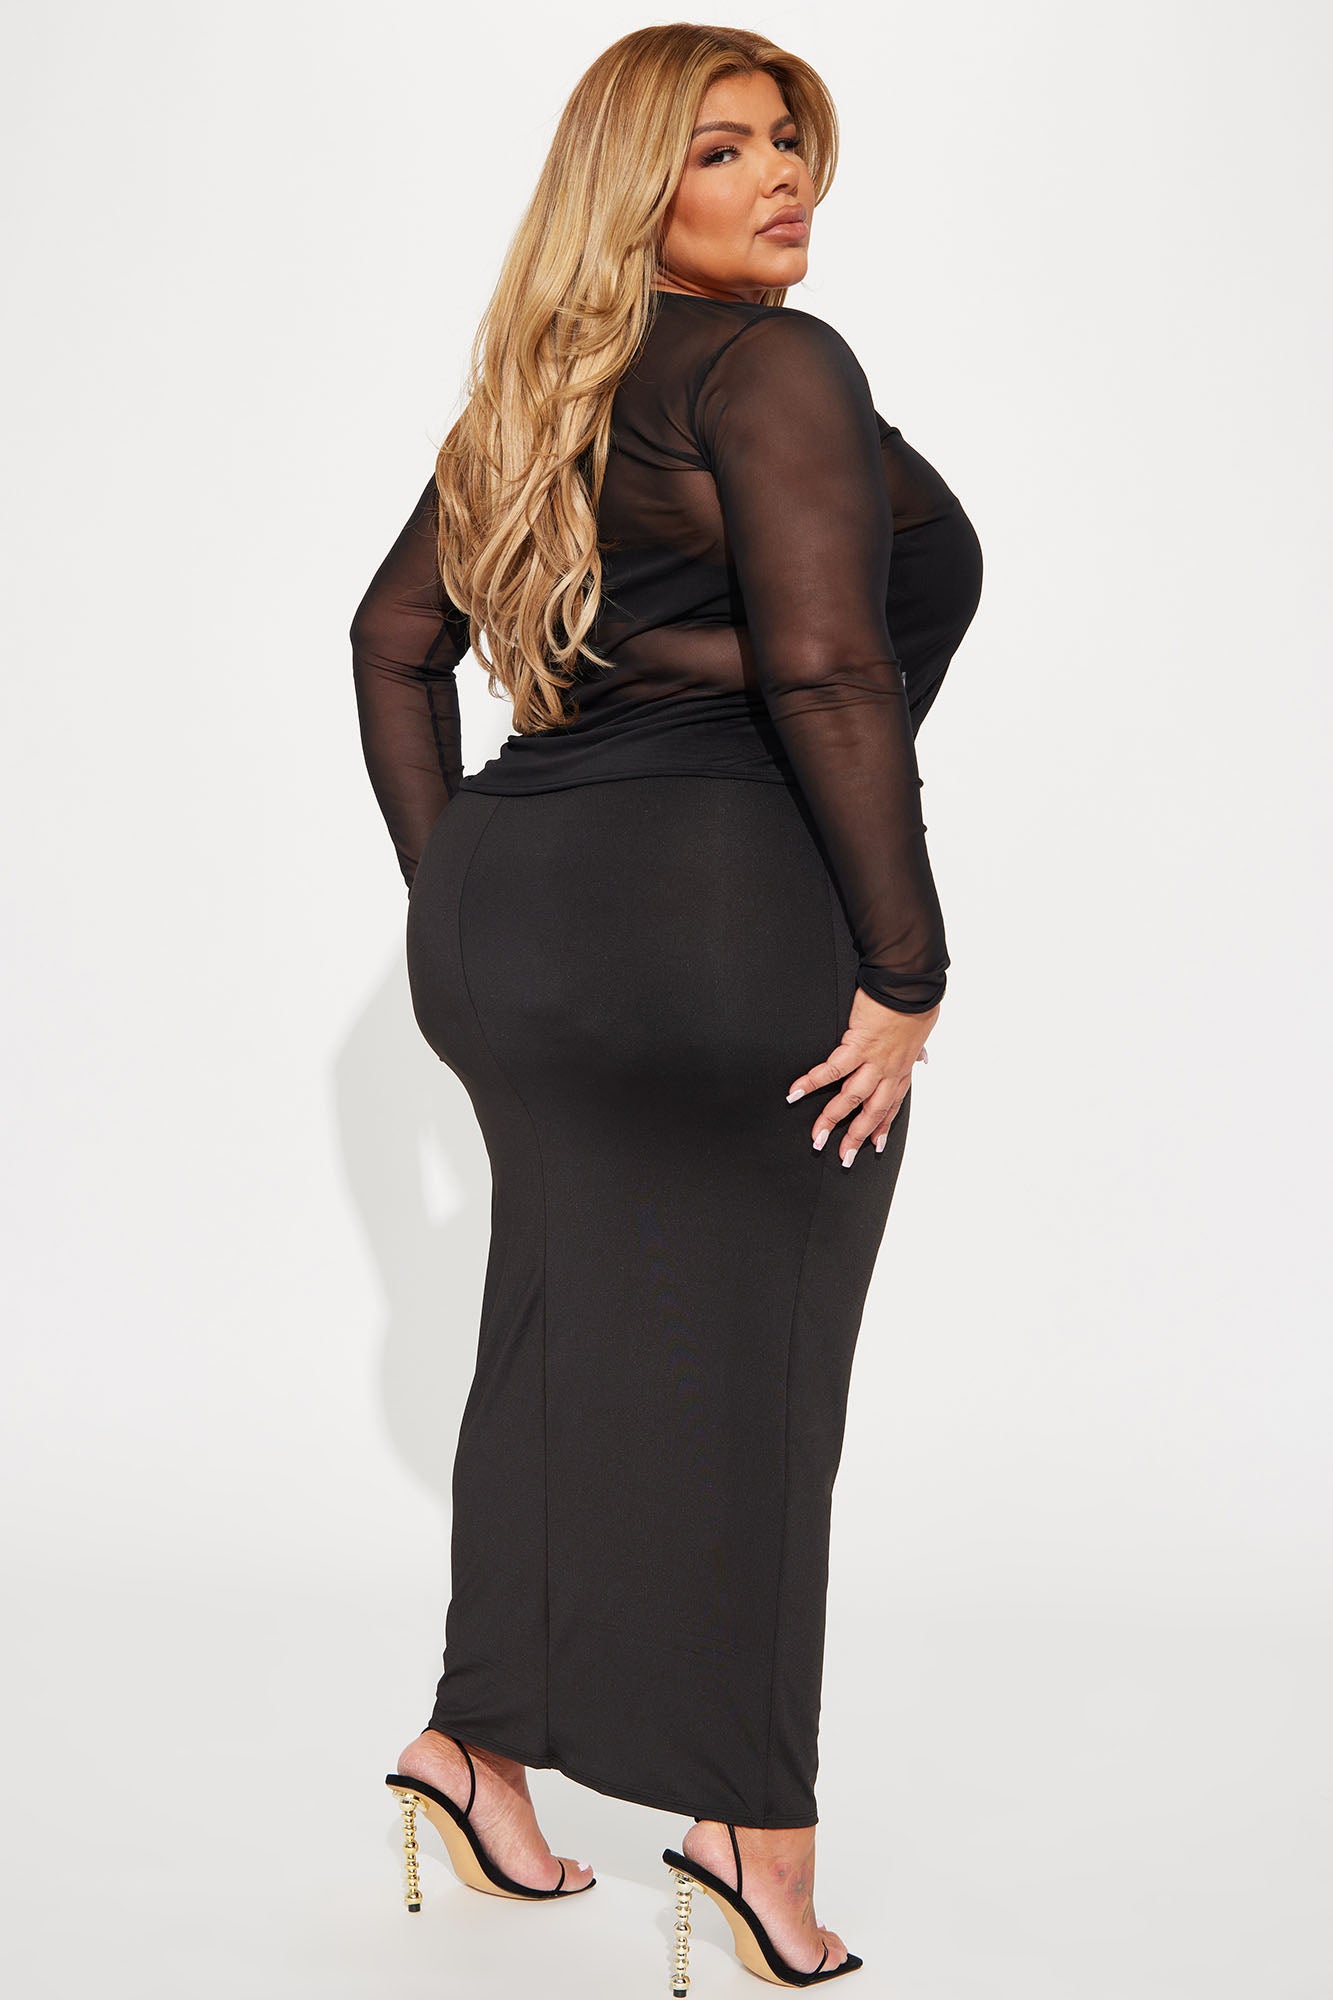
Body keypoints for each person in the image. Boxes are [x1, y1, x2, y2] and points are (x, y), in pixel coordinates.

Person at [351, 22, 983, 1988]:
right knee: (758, 1367)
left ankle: (473, 1748)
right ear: (635, 187)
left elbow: (390, 644)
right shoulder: (772, 369)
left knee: (549, 1330)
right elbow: (828, 674)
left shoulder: (546, 392)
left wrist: (461, 887)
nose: (778, 173)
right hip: (721, 915)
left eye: (786, 139)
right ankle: (747, 1835)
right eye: (719, 149)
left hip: (519, 919)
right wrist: (905, 968)